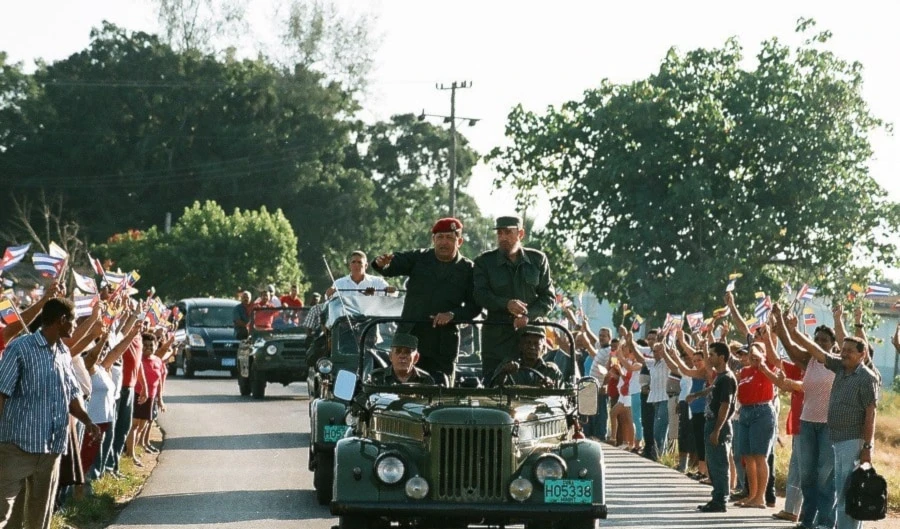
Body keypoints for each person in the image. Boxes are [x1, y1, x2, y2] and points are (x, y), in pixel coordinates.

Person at [0, 298, 102, 529]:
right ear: (62, 320)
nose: (75, 326)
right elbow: (1, 393)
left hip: (51, 451)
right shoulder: (20, 348)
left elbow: (73, 395)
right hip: (16, 448)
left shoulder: (64, 353)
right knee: (4, 515)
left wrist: (88, 420)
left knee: (39, 518)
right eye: (74, 321)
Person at [789, 317, 879, 529]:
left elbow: (871, 414)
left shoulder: (867, 378)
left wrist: (867, 447)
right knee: (841, 489)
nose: (845, 353)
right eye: (843, 349)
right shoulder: (840, 367)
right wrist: (794, 332)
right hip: (837, 438)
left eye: (850, 350)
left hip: (853, 440)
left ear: (862, 354)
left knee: (849, 490)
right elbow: (818, 352)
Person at [372, 218, 481, 383]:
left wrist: (453, 315)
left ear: (459, 241)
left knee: (441, 391)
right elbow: (391, 266)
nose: (444, 242)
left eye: (450, 238)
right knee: (402, 389)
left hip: (443, 343)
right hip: (410, 339)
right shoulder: (419, 258)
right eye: (440, 237)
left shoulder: (468, 269)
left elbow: (475, 307)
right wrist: (381, 264)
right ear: (433, 239)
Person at [473, 215, 555, 377]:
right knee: (494, 387)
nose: (503, 237)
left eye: (508, 233)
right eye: (500, 233)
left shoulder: (537, 260)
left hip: (530, 339)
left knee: (534, 385)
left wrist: (528, 316)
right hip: (497, 341)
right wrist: (506, 304)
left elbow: (548, 298)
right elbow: (480, 295)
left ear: (520, 234)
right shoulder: (485, 262)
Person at [697, 341, 738, 514]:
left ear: (722, 357)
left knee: (719, 464)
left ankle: (721, 500)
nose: (709, 357)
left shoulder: (727, 378)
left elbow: (725, 405)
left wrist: (717, 430)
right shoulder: (719, 377)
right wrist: (695, 395)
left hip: (718, 425)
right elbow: (712, 391)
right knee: (712, 464)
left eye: (712, 354)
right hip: (711, 422)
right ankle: (716, 497)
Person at [489, 326, 564, 388]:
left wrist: (551, 388)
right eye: (528, 343)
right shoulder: (507, 366)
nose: (532, 347)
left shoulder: (551, 371)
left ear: (544, 348)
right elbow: (492, 390)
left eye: (536, 343)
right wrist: (503, 374)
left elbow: (563, 397)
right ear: (520, 346)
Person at [367, 333, 435, 385]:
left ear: (416, 358)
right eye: (398, 351)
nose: (402, 356)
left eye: (407, 352)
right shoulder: (376, 378)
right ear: (390, 356)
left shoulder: (426, 380)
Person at [326, 251, 394, 298]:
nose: (356, 265)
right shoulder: (339, 283)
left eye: (359, 262)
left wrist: (391, 290)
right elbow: (331, 301)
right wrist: (329, 294)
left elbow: (392, 296)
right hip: (347, 318)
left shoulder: (378, 282)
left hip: (372, 318)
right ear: (350, 265)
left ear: (366, 265)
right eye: (353, 262)